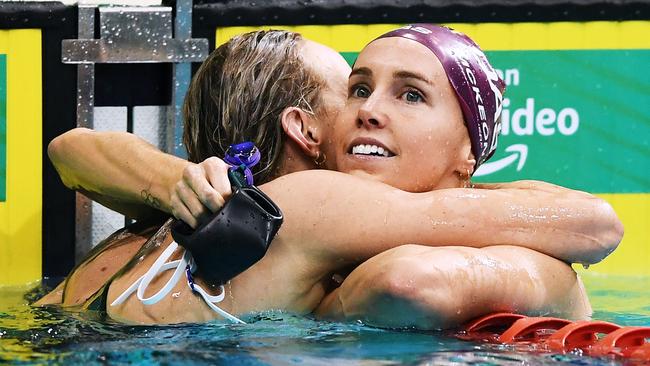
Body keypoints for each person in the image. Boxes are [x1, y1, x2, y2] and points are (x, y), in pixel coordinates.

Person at [39, 27, 622, 329]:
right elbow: (594, 225)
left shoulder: (163, 221)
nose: (369, 110)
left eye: (408, 95)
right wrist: (555, 284)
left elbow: (68, 149)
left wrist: (168, 178)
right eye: (355, 88)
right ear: (307, 130)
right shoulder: (318, 202)